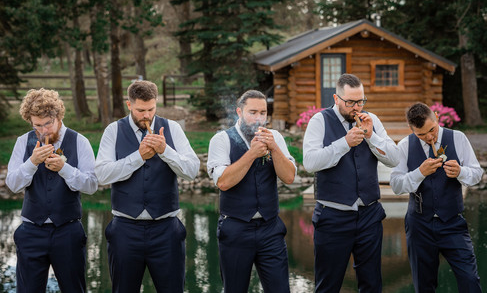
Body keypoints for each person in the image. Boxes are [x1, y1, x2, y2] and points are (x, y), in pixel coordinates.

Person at [95, 80, 199, 293]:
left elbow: (192, 171)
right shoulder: (113, 130)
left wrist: (166, 151)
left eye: (151, 109)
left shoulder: (173, 128)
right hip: (124, 229)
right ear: (129, 105)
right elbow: (102, 175)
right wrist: (138, 157)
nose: (147, 115)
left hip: (166, 229)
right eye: (141, 110)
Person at [303, 73, 400, 293]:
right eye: (350, 102)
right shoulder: (320, 120)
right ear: (337, 99)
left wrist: (371, 136)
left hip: (369, 215)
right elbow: (310, 162)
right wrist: (344, 143)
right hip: (333, 217)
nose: (356, 107)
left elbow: (394, 159)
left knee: (372, 285)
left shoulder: (372, 119)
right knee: (328, 285)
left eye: (361, 101)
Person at [6, 88, 98, 292]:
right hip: (30, 232)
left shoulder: (79, 141)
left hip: (68, 231)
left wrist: (64, 169)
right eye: (37, 125)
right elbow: (12, 184)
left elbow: (92, 185)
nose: (44, 131)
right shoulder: (23, 142)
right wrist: (32, 162)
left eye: (48, 123)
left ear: (58, 116)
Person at [207, 90, 296, 293]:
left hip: (270, 229)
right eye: (252, 112)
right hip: (235, 229)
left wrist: (274, 148)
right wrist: (251, 154)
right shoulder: (221, 140)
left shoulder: (275, 138)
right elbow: (223, 182)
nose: (259, 119)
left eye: (263, 113)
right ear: (239, 111)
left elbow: (289, 178)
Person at [390, 102, 483, 293]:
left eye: (431, 130)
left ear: (437, 118)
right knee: (424, 286)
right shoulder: (406, 145)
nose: (429, 137)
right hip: (419, 226)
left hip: (453, 223)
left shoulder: (458, 138)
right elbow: (396, 185)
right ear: (412, 129)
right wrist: (418, 173)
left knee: (470, 280)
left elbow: (476, 174)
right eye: (421, 134)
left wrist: (460, 171)